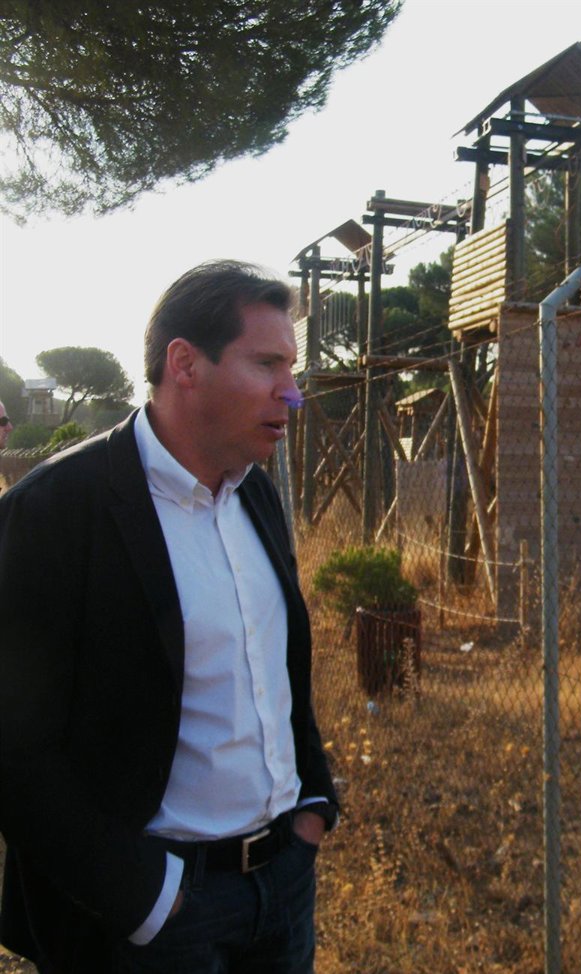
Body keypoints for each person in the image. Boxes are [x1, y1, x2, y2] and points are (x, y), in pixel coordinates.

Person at [0, 261, 338, 972]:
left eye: (291, 367)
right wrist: (145, 899)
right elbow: (16, 748)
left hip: (284, 886)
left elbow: (279, 670)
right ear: (184, 364)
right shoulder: (55, 511)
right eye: (267, 364)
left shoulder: (256, 495)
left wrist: (313, 804)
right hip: (151, 924)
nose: (292, 392)